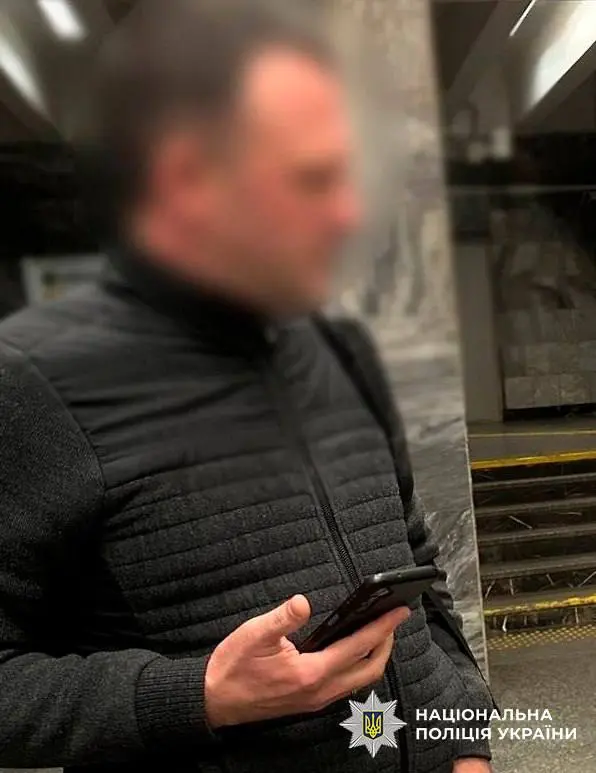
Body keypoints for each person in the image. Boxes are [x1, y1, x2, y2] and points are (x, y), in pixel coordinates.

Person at [0, 1, 494, 772]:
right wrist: (197, 694)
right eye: (312, 178)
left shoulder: (339, 347)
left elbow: (420, 572)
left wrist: (464, 742)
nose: (350, 212)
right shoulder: (34, 381)